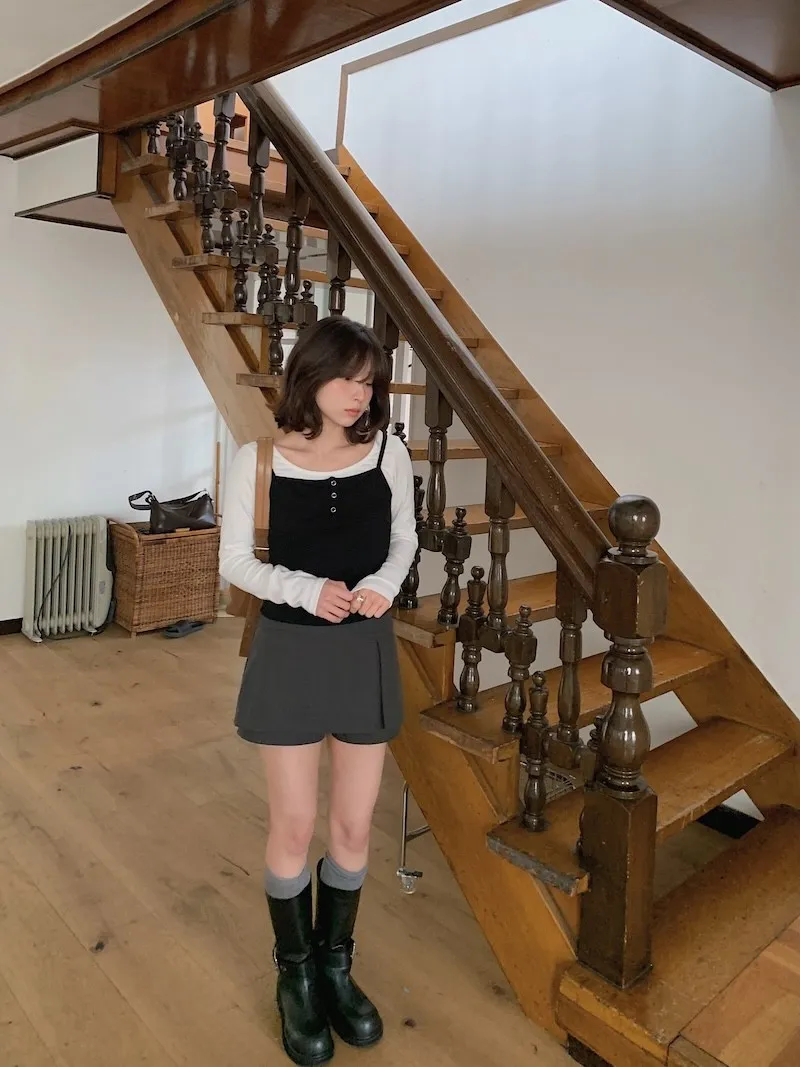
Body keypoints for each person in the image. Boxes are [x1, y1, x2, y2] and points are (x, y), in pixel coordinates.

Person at [219, 315, 417, 1066]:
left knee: (354, 827)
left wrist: (383, 584)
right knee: (296, 823)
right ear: (310, 375)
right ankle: (295, 975)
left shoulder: (388, 451)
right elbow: (234, 560)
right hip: (291, 651)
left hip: (364, 649)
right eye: (345, 379)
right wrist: (305, 589)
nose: (358, 395)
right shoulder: (260, 460)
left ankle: (336, 965)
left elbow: (404, 538)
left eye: (369, 383)